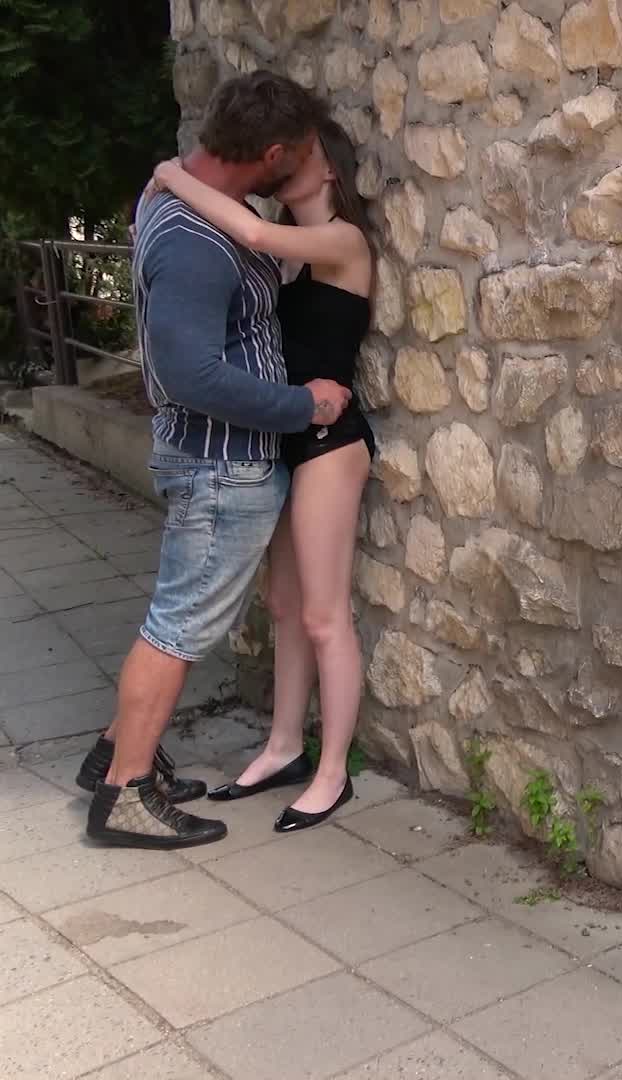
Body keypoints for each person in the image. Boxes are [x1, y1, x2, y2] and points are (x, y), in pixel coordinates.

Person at [74, 71, 350, 849]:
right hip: (221, 467)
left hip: (214, 462)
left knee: (181, 616)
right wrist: (304, 405)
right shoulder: (196, 242)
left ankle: (115, 756)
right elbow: (192, 373)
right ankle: (126, 793)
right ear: (271, 153)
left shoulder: (183, 204)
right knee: (179, 626)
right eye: (296, 154)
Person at [148, 116, 376, 833]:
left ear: (329, 169)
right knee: (283, 606)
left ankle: (333, 772)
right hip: (288, 435)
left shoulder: (343, 241)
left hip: (331, 443)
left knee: (323, 614)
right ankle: (283, 747)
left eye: (301, 153)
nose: (285, 163)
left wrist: (172, 175)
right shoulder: (289, 261)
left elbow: (248, 231)